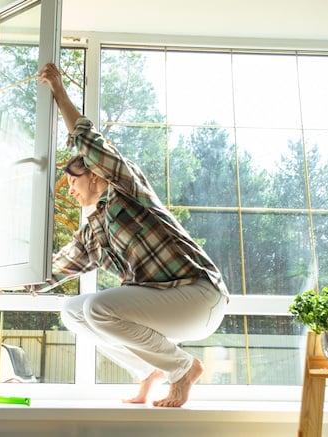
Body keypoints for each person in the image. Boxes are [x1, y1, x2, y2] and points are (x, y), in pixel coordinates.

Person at [26, 63, 229, 408]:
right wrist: (8, 278)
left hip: (198, 296)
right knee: (72, 311)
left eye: (73, 182)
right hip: (168, 307)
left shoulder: (126, 187)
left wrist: (58, 91)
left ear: (93, 176)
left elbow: (87, 139)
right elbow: (52, 271)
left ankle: (182, 369)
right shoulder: (94, 231)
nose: (70, 191)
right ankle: (149, 370)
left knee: (98, 307)